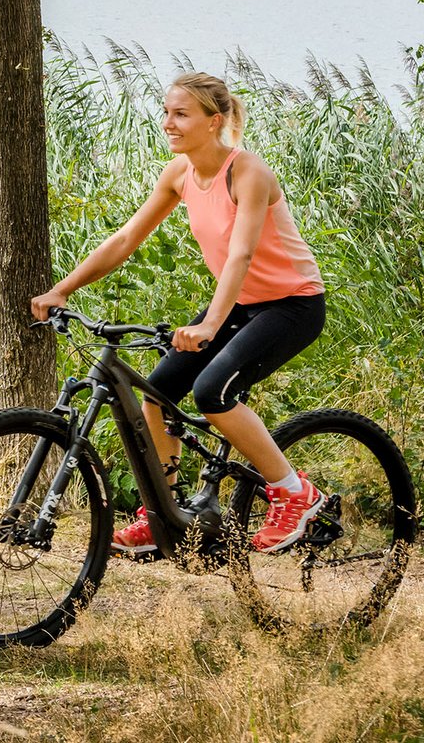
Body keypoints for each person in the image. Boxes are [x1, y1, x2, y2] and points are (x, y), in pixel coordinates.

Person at [30, 72, 328, 555]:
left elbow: (240, 256)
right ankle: (163, 515)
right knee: (158, 394)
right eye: (166, 112)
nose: (168, 123)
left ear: (214, 121)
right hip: (240, 303)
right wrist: (62, 289)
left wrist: (210, 324)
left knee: (212, 393)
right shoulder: (179, 174)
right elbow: (126, 239)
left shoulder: (248, 172)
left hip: (293, 304)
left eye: (181, 114)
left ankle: (295, 493)